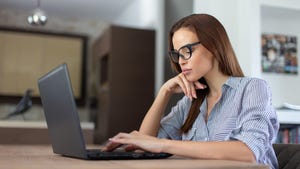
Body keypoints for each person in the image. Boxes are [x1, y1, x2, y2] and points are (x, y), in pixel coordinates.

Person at [103, 14, 279, 169]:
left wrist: (163, 145)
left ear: (214, 46)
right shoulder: (190, 102)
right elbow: (145, 143)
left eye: (187, 51)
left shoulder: (253, 88)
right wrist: (164, 92)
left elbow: (248, 152)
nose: (181, 61)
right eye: (177, 54)